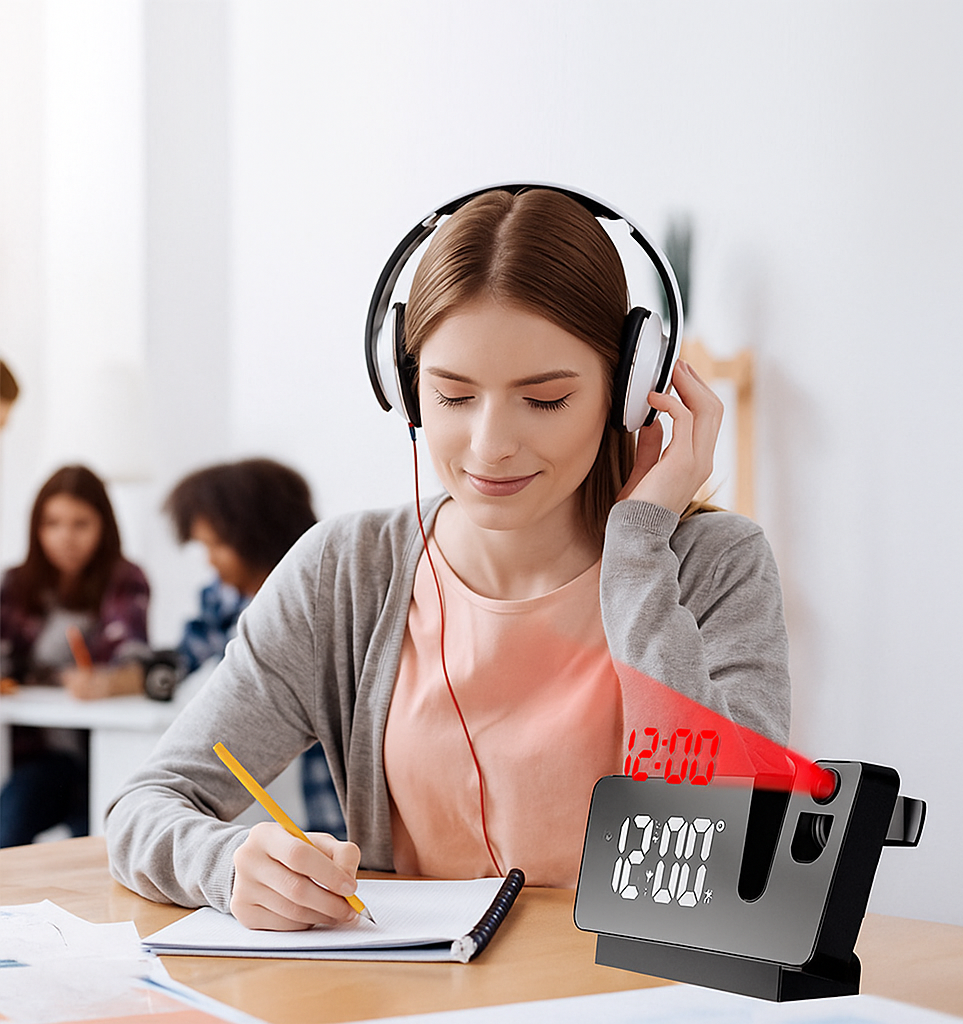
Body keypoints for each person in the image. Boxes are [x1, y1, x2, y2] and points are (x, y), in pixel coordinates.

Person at [106, 186, 790, 932]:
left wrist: (638, 551)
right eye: (454, 396)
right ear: (406, 391)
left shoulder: (715, 567)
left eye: (547, 399)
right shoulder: (343, 574)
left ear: (629, 391)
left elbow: (729, 853)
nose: (490, 444)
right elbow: (143, 807)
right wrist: (230, 867)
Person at [161, 457, 344, 836]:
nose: (209, 560)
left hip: (325, 816)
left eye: (216, 545)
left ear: (256, 536)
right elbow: (183, 657)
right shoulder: (223, 597)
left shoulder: (325, 601)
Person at [1, 465, 149, 845]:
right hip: (37, 755)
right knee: (10, 824)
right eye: (52, 523)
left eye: (80, 524)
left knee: (98, 847)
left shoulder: (125, 579)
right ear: (36, 527)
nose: (65, 538)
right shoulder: (17, 583)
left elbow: (137, 662)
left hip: (102, 754)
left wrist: (108, 682)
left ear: (104, 526)